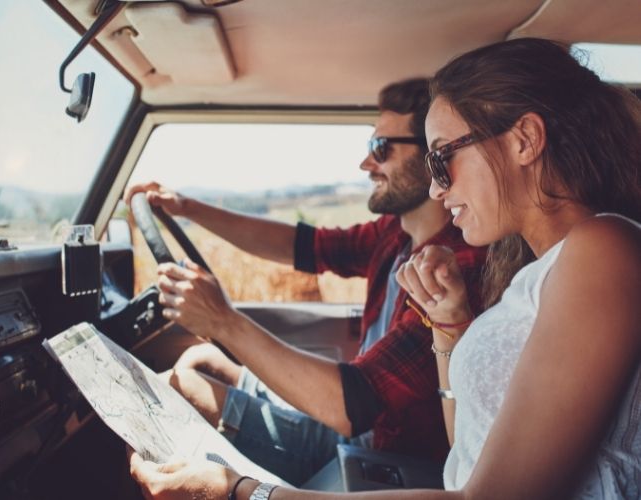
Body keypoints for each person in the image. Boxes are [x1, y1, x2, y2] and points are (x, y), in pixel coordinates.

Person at [128, 37, 641, 499]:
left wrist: (244, 493)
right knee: (193, 369)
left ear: (524, 140)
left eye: (444, 158)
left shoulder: (600, 248)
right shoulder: (527, 267)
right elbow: (467, 446)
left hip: (384, 452)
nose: (439, 189)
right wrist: (451, 325)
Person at [125, 79, 487, 485]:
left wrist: (223, 320)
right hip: (357, 421)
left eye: (380, 149)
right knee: (196, 361)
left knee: (176, 388)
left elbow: (354, 408)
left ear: (430, 158)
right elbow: (299, 245)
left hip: (375, 449)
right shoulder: (394, 235)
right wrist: (187, 207)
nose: (367, 165)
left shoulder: (453, 269)